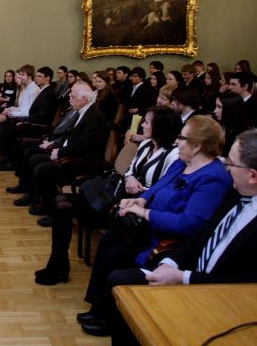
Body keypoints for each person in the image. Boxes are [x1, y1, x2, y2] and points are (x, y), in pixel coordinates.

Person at [102, 131, 257, 345]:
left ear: (253, 176)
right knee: (120, 283)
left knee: (126, 287)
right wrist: (171, 262)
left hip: (226, 299)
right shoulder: (240, 190)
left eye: (230, 163)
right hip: (191, 273)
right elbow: (203, 234)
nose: (226, 167)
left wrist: (184, 278)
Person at [79, 115, 232, 337]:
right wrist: (140, 200)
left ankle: (111, 319)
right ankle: (99, 308)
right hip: (150, 232)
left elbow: (189, 224)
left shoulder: (213, 178)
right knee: (110, 240)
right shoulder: (181, 163)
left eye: (182, 137)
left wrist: (144, 212)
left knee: (116, 258)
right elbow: (158, 187)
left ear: (198, 145)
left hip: (170, 246)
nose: (177, 141)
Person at [34, 107, 181, 286]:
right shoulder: (146, 145)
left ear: (161, 126)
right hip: (114, 196)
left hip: (131, 210)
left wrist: (140, 187)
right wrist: (131, 178)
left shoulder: (173, 155)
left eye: (147, 122)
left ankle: (58, 266)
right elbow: (129, 170)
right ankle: (58, 263)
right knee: (61, 204)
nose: (142, 124)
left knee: (64, 206)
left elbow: (164, 187)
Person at [26, 82, 110, 224]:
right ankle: (43, 202)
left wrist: (60, 153)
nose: (69, 98)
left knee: (42, 169)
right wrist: (57, 147)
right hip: (73, 154)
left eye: (73, 96)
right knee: (35, 159)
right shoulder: (82, 111)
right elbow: (69, 137)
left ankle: (53, 212)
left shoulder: (94, 117)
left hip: (84, 162)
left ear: (84, 99)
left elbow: (83, 145)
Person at [213, 91, 250, 158]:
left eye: (219, 107)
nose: (215, 111)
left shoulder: (240, 137)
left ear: (230, 108)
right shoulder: (221, 125)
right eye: (216, 106)